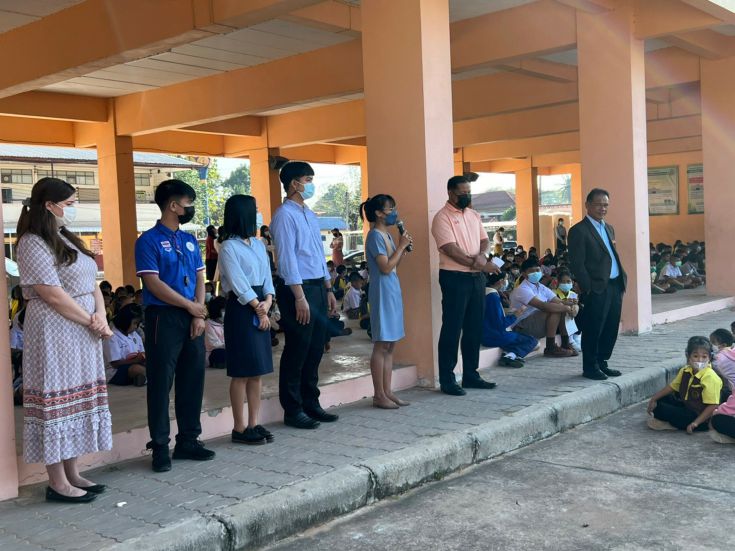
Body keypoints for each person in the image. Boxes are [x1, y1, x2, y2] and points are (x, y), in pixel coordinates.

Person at [16, 177, 113, 503]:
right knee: (56, 402)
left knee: (76, 401)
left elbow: (93, 284)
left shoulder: (65, 236)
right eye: (69, 204)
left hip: (82, 332)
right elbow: (51, 294)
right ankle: (57, 482)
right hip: (54, 332)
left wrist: (100, 315)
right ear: (49, 205)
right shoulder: (32, 242)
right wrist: (91, 320)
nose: (73, 209)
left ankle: (73, 472)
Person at [135, 179, 214, 473]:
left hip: (192, 317)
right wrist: (190, 306)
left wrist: (198, 313)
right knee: (160, 382)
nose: (190, 208)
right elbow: (152, 283)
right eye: (188, 203)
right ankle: (159, 446)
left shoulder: (190, 240)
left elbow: (200, 277)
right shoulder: (148, 240)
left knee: (193, 378)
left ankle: (188, 441)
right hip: (163, 318)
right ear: (173, 205)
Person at [270, 161, 339, 429]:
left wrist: (328, 288)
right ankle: (293, 409)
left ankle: (311, 402)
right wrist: (299, 297)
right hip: (298, 289)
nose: (311, 184)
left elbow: (318, 256)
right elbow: (287, 259)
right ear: (294, 183)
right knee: (297, 348)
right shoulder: (284, 215)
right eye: (307, 179)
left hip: (317, 287)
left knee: (315, 347)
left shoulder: (309, 214)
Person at [431, 175, 500, 396]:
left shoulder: (473, 214)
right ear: (451, 192)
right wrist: (478, 263)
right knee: (452, 328)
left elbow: (485, 241)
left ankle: (471, 374)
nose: (466, 196)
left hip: (476, 278)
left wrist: (482, 256)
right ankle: (447, 379)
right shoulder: (441, 218)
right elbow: (450, 249)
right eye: (462, 193)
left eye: (468, 192)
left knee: (474, 327)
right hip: (454, 277)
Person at [219, 195, 276, 445]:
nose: (258, 214)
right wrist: (259, 309)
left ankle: (254, 423)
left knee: (257, 372)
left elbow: (267, 277)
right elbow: (238, 282)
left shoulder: (258, 244)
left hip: (261, 303)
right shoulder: (228, 247)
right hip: (242, 309)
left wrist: (268, 301)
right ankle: (239, 428)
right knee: (241, 372)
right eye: (255, 210)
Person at [568, 188, 627, 380]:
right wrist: (589, 287)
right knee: (594, 327)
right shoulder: (579, 230)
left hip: (615, 284)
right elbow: (577, 264)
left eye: (606, 205)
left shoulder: (609, 228)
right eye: (598, 204)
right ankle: (590, 367)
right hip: (597, 288)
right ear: (587, 205)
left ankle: (602, 362)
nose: (603, 208)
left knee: (610, 327)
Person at [361, 195, 413, 409]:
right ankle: (378, 395)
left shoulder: (388, 235)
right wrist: (401, 246)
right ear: (379, 213)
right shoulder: (375, 236)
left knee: (390, 344)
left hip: (392, 289)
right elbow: (384, 267)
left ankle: (388, 391)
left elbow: (394, 265)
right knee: (382, 343)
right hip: (382, 291)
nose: (394, 212)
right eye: (390, 209)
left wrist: (402, 248)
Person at [647, 336, 722, 433]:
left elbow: (713, 405)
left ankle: (676, 423)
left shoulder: (710, 377)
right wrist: (653, 399)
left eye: (704, 357)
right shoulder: (685, 370)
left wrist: (695, 423)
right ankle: (673, 420)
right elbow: (672, 387)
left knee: (660, 409)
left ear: (709, 358)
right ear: (688, 356)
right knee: (661, 399)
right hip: (687, 406)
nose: (700, 360)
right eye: (695, 356)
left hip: (700, 416)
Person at [509, 259, 576, 357]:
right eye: (532, 271)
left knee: (559, 307)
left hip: (536, 323)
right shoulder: (522, 289)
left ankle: (565, 343)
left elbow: (559, 301)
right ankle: (550, 347)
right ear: (524, 274)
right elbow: (542, 306)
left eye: (537, 270)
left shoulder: (541, 287)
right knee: (554, 309)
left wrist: (572, 304)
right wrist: (567, 308)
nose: (536, 273)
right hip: (521, 327)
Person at [482, 272, 536, 368]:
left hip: (484, 334)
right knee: (531, 341)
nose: (506, 282)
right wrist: (515, 315)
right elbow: (499, 324)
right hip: (493, 335)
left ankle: (508, 354)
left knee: (520, 339)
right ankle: (510, 356)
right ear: (500, 281)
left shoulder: (484, 293)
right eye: (506, 279)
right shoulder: (492, 296)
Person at [105, 304, 146, 387]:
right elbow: (115, 364)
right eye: (135, 323)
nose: (136, 327)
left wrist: (143, 357)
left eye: (138, 324)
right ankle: (145, 377)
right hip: (115, 372)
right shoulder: (112, 337)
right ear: (126, 321)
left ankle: (141, 377)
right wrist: (135, 360)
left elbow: (142, 352)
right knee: (136, 369)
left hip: (134, 364)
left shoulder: (135, 335)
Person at [205, 296, 226, 370]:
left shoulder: (225, 324)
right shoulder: (208, 325)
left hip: (225, 349)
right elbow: (213, 344)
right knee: (220, 353)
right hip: (212, 353)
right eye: (224, 310)